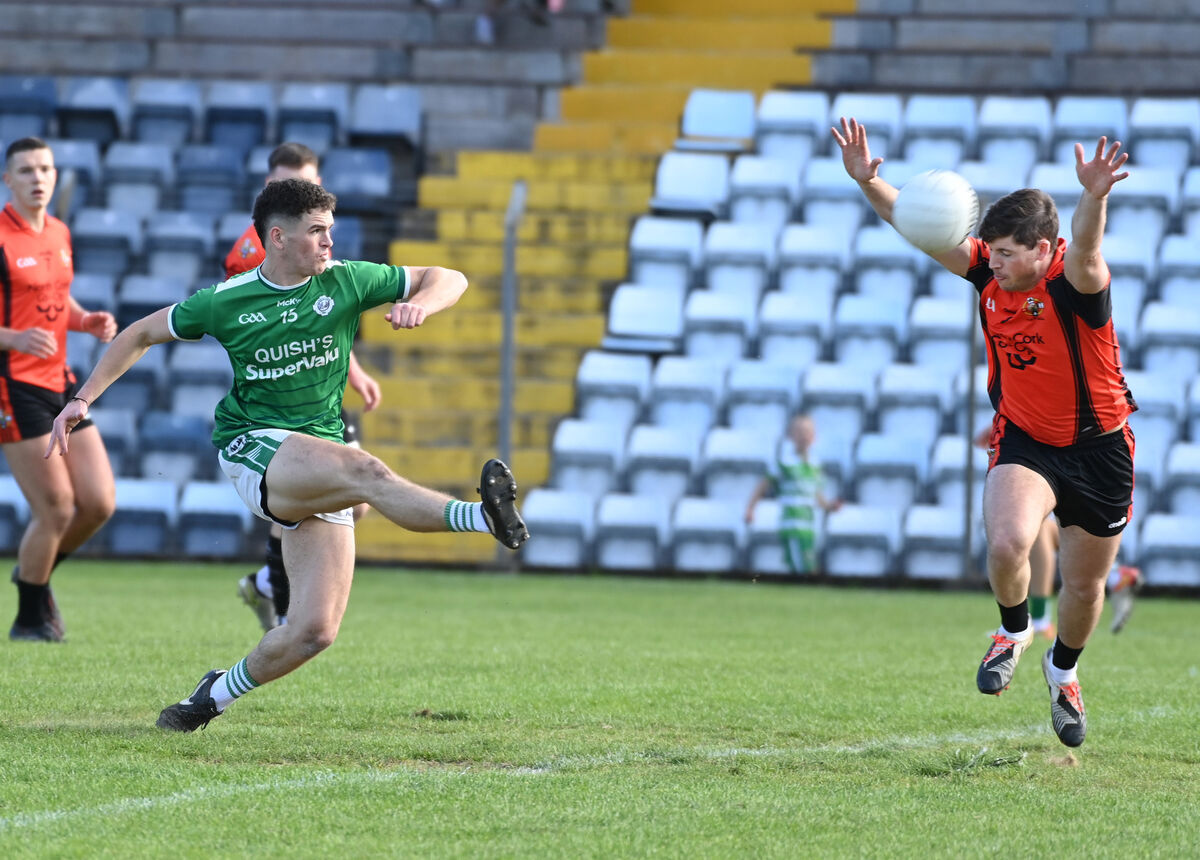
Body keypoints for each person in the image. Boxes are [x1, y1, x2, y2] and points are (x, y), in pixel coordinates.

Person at [46, 178, 530, 731]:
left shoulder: (348, 280)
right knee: (365, 469)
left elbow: (450, 277)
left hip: (312, 455)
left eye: (330, 231)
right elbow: (138, 334)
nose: (329, 243)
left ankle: (209, 697)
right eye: (317, 232)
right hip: (252, 447)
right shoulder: (227, 301)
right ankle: (482, 517)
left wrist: (421, 303)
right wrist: (82, 399)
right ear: (278, 237)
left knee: (312, 632)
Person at [834, 117, 1136, 748]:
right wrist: (870, 183)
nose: (991, 262)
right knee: (1006, 544)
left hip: (1101, 449)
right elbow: (919, 227)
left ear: (1042, 250)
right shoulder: (988, 277)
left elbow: (1087, 247)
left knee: (1084, 587)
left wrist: (1095, 196)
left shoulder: (1075, 284)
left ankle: (1064, 673)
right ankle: (1013, 631)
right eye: (989, 251)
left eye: (1006, 252)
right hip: (1026, 439)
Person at [225, 142, 383, 632]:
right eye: (279, 183)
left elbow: (319, 317)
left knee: (354, 503)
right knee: (303, 492)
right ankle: (286, 603)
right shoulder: (253, 251)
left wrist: (353, 371)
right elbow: (270, 325)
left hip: (322, 387)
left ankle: (268, 587)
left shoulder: (315, 237)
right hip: (278, 394)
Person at [1, 137, 117, 642]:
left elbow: (54, 299)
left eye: (45, 168)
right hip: (14, 384)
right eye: (25, 170)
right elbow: (19, 320)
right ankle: (30, 618)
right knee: (56, 509)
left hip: (60, 380)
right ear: (8, 180)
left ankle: (35, 572)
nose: (38, 177)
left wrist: (85, 319)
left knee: (99, 503)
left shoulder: (60, 232)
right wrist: (12, 337)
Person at [744, 413, 841, 574]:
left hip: (809, 525)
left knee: (806, 566)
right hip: (792, 524)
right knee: (804, 568)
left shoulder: (815, 465)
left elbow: (816, 495)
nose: (804, 436)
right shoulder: (784, 463)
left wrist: (830, 507)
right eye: (799, 432)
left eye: (807, 432)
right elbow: (763, 486)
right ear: (791, 435)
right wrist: (750, 509)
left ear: (814, 436)